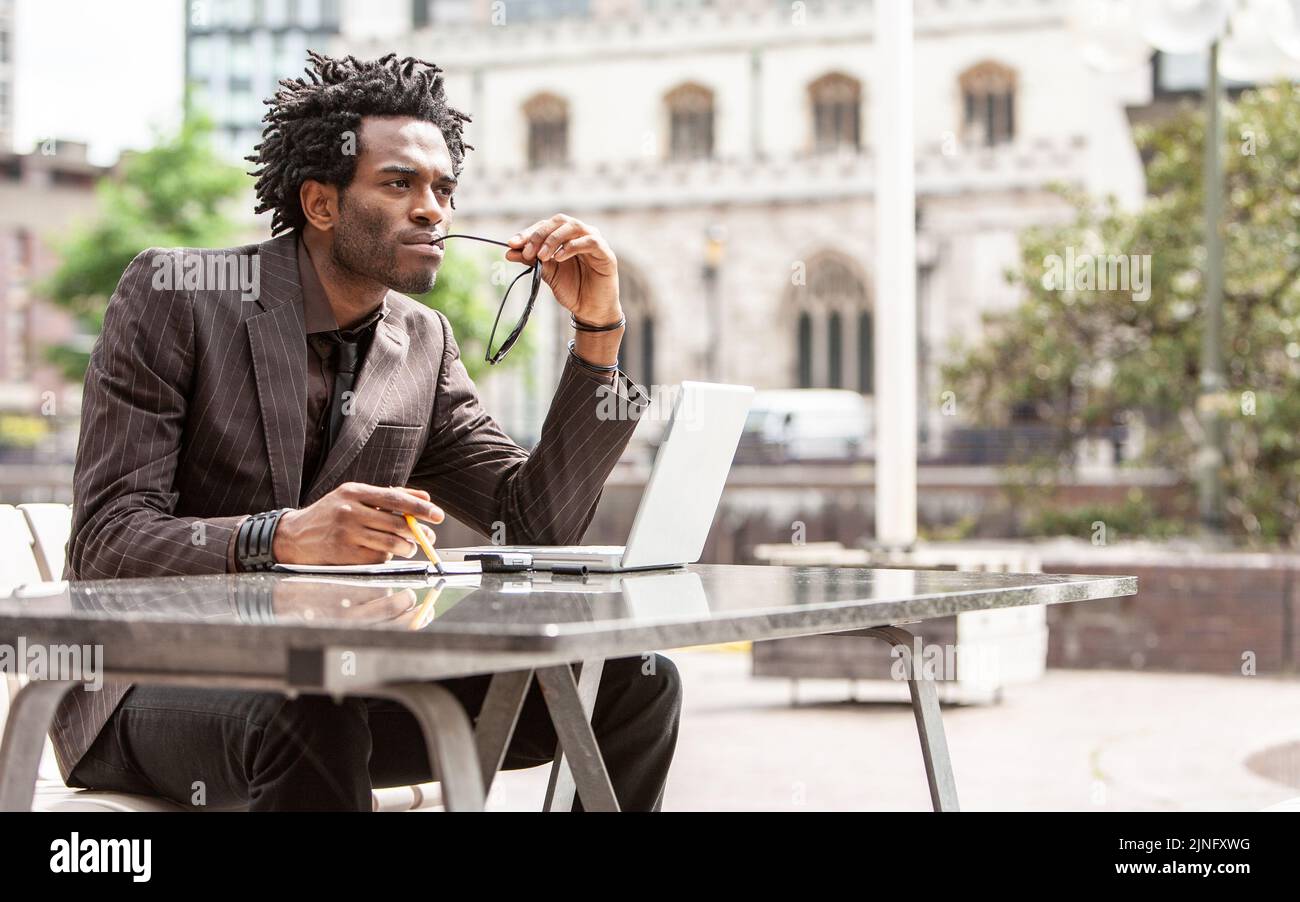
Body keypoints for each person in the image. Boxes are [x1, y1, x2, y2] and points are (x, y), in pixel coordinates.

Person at [56, 51, 681, 811]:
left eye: (444, 189)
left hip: (339, 681)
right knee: (308, 714)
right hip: (149, 683)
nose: (433, 210)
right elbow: (105, 542)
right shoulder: (178, 294)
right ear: (321, 204)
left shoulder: (423, 341)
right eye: (399, 184)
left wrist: (599, 334)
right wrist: (280, 536)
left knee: (632, 678)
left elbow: (531, 522)